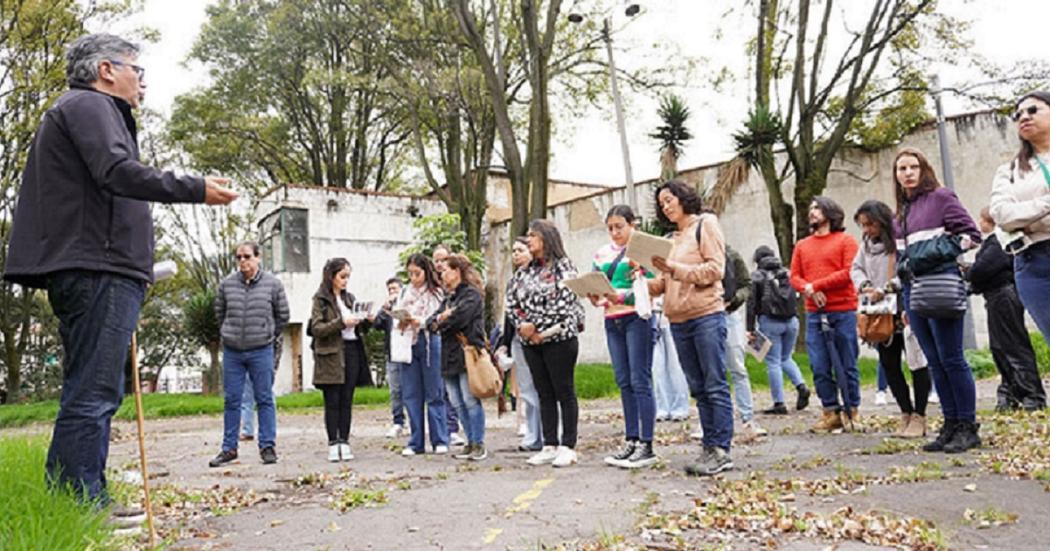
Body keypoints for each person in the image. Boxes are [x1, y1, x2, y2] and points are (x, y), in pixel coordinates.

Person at [2, 33, 237, 511]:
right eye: (137, 70)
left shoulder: (84, 110)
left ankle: (79, 496)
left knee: (90, 388)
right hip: (98, 269)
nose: (142, 82)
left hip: (100, 266)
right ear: (106, 70)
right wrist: (194, 187)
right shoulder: (89, 104)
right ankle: (81, 500)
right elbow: (116, 171)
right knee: (94, 391)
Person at [894, 147, 982, 453]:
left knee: (951, 357)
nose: (908, 173)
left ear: (923, 169)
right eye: (902, 168)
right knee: (933, 360)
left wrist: (928, 255)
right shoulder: (900, 214)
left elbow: (971, 235)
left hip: (941, 282)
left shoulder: (942, 198)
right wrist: (902, 300)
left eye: (913, 167)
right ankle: (950, 423)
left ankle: (967, 426)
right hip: (914, 290)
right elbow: (902, 259)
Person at [647, 180, 734, 476]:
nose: (665, 206)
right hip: (678, 320)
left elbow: (715, 269)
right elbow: (662, 284)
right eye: (661, 203)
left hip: (706, 315)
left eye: (669, 199)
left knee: (714, 383)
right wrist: (640, 282)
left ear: (684, 198)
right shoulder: (670, 239)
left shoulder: (705, 224)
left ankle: (721, 448)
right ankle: (709, 446)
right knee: (698, 387)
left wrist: (675, 269)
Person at [509, 219, 586, 468]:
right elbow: (512, 302)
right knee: (543, 392)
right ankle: (549, 443)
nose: (528, 239)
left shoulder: (564, 267)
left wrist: (537, 328)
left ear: (546, 238)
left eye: (533, 235)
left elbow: (563, 303)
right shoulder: (525, 271)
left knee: (564, 390)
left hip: (559, 338)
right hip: (530, 341)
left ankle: (568, 445)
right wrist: (524, 326)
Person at [851, 200, 931, 438]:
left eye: (870, 224)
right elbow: (855, 268)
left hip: (903, 307)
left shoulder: (899, 241)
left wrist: (888, 287)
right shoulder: (866, 245)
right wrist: (865, 285)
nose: (867, 230)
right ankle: (905, 411)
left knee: (916, 361)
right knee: (889, 364)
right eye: (863, 225)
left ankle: (920, 414)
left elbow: (909, 268)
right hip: (880, 313)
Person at [589, 205, 659, 469]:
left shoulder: (642, 251)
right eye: (610, 228)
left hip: (637, 317)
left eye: (619, 227)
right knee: (624, 380)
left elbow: (653, 286)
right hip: (612, 319)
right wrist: (595, 295)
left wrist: (622, 295)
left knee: (640, 380)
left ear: (632, 225)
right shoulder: (601, 253)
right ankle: (631, 438)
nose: (615, 232)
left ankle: (646, 443)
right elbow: (596, 281)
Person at [209, 242, 290, 467]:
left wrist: (267, 334)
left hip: (261, 349)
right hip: (233, 352)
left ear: (257, 257)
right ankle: (229, 448)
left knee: (264, 398)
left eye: (247, 256)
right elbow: (219, 313)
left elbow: (283, 315)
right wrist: (228, 333)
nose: (242, 261)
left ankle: (267, 446)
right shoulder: (226, 285)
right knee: (231, 400)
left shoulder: (273, 284)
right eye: (238, 257)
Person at [790, 196, 861, 432]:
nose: (812, 212)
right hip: (814, 313)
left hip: (843, 310)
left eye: (817, 208)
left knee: (847, 363)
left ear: (831, 213)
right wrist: (808, 289)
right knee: (819, 365)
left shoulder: (846, 241)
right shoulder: (802, 245)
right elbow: (794, 276)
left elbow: (848, 272)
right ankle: (830, 411)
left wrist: (816, 285)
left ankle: (852, 410)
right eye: (811, 208)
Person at [968, 207, 1046, 411]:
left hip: (1003, 296)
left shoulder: (997, 242)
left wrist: (970, 274)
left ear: (988, 221)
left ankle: (1031, 394)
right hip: (997, 296)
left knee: (1013, 346)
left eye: (981, 220)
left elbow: (982, 269)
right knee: (1001, 347)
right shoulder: (995, 242)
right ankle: (1012, 392)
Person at [990, 91, 1050, 345]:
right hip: (1034, 261)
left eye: (1033, 110)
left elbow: (1016, 213)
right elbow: (1002, 215)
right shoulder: (1009, 170)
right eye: (1018, 114)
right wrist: (1046, 203)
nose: (1024, 117)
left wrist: (1027, 214)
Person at [308, 258, 372, 462]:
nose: (345, 281)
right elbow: (317, 328)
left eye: (348, 277)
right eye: (342, 276)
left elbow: (359, 328)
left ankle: (344, 440)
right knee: (332, 400)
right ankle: (333, 443)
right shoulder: (320, 300)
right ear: (331, 276)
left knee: (347, 399)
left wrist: (366, 320)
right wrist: (341, 323)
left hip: (352, 350)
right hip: (330, 354)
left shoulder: (350, 298)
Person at [431, 255, 489, 461]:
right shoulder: (449, 298)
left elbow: (460, 319)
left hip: (467, 353)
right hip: (448, 355)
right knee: (457, 402)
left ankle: (478, 442)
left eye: (446, 270)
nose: (442, 274)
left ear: (457, 271)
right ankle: (469, 441)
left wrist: (444, 320)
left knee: (470, 399)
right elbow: (431, 322)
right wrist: (441, 318)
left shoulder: (471, 294)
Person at [395, 254, 449, 455]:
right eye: (410, 274)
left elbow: (439, 318)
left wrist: (422, 321)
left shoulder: (436, 292)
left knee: (434, 391)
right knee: (411, 393)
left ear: (426, 272)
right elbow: (397, 313)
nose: (413, 278)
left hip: (429, 340)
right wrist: (401, 320)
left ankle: (440, 439)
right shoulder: (404, 291)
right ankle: (415, 441)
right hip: (408, 341)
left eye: (417, 273)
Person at [746, 245, 810, 415]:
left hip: (770, 322)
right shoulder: (788, 273)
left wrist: (750, 328)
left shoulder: (757, 276)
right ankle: (801, 386)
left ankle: (779, 403)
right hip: (792, 321)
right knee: (786, 357)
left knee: (773, 362)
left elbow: (751, 303)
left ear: (757, 260)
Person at [496, 237, 544, 451]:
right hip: (517, 338)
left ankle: (548, 433)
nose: (516, 254)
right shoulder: (514, 280)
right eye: (514, 250)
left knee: (542, 386)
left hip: (537, 335)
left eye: (521, 250)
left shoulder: (541, 275)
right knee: (526, 389)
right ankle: (533, 434)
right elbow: (509, 315)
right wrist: (504, 343)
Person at [723, 245, 766, 438]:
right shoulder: (693, 252)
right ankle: (712, 421)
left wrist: (733, 301)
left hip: (728, 315)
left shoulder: (731, 254)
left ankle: (747, 419)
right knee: (711, 372)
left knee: (737, 369)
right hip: (704, 316)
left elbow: (746, 285)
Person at [431, 243, 465, 447]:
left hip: (455, 342)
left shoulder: (458, 289)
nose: (439, 264)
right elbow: (433, 319)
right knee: (440, 387)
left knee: (457, 392)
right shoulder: (431, 283)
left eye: (443, 259)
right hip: (437, 337)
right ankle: (442, 426)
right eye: (436, 260)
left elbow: (456, 315)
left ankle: (453, 427)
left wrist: (442, 319)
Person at [373, 277, 408, 437]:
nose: (392, 292)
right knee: (395, 390)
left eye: (395, 289)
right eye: (390, 290)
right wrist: (384, 307)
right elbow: (377, 324)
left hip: (407, 352)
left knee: (411, 389)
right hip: (393, 353)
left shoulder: (408, 304)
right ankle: (398, 421)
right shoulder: (388, 310)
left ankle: (415, 421)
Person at [651, 295, 691, 422]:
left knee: (676, 365)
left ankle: (680, 406)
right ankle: (661, 406)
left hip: (674, 313)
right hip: (652, 314)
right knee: (656, 366)